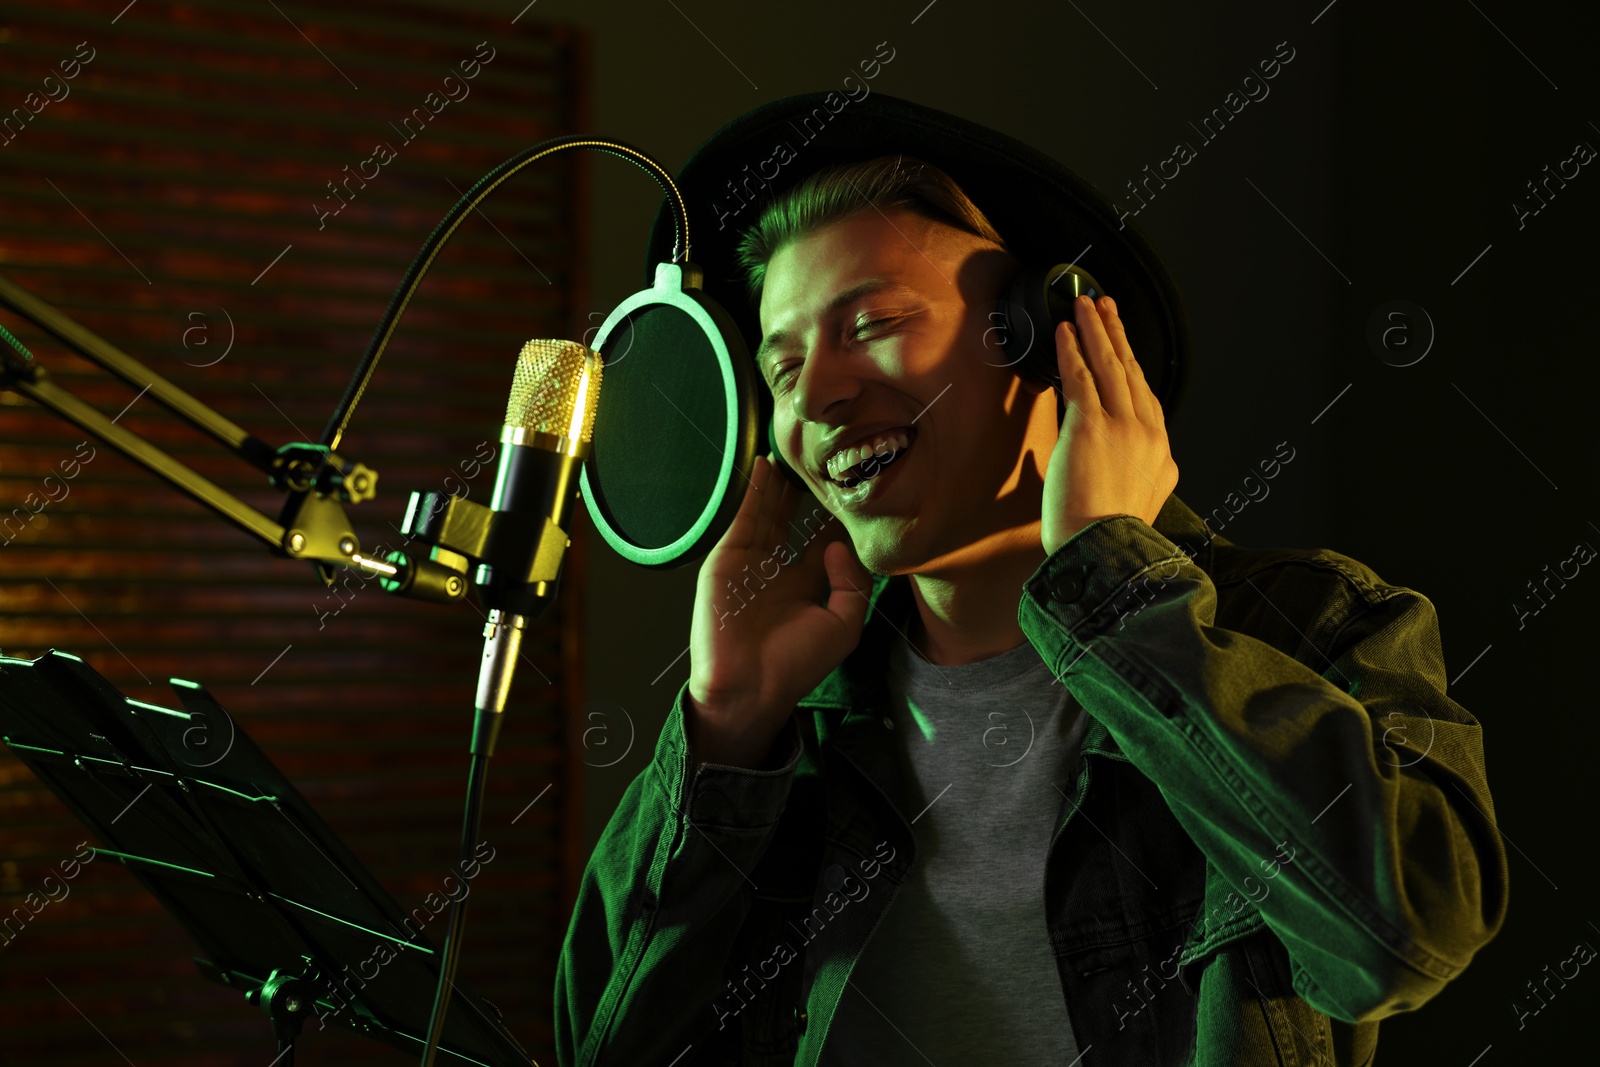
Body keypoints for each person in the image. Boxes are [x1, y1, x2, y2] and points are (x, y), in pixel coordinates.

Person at [555, 92, 1507, 1067]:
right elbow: (604, 1046)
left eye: (870, 322)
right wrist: (726, 727)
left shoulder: (1311, 623)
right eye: (783, 366)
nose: (818, 395)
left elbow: (1401, 940)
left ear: (1043, 335)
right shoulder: (793, 721)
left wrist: (1116, 600)